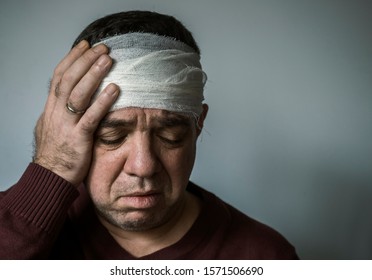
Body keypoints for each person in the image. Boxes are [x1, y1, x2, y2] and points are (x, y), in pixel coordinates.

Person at [0, 10, 298, 259]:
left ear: (198, 125)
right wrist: (52, 165)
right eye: (112, 137)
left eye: (170, 135)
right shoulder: (25, 234)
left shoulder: (264, 256)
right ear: (66, 132)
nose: (143, 166)